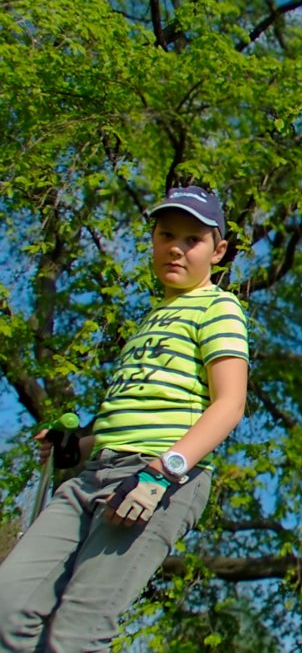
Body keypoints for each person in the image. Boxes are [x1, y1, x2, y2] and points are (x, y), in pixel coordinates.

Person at [0, 186, 249, 651]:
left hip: (158, 480)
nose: (176, 248)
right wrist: (76, 446)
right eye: (166, 235)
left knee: (75, 634)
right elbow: (127, 415)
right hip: (93, 476)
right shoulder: (149, 322)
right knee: (7, 607)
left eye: (193, 240)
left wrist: (161, 474)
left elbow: (230, 404)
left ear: (218, 252)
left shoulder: (218, 307)